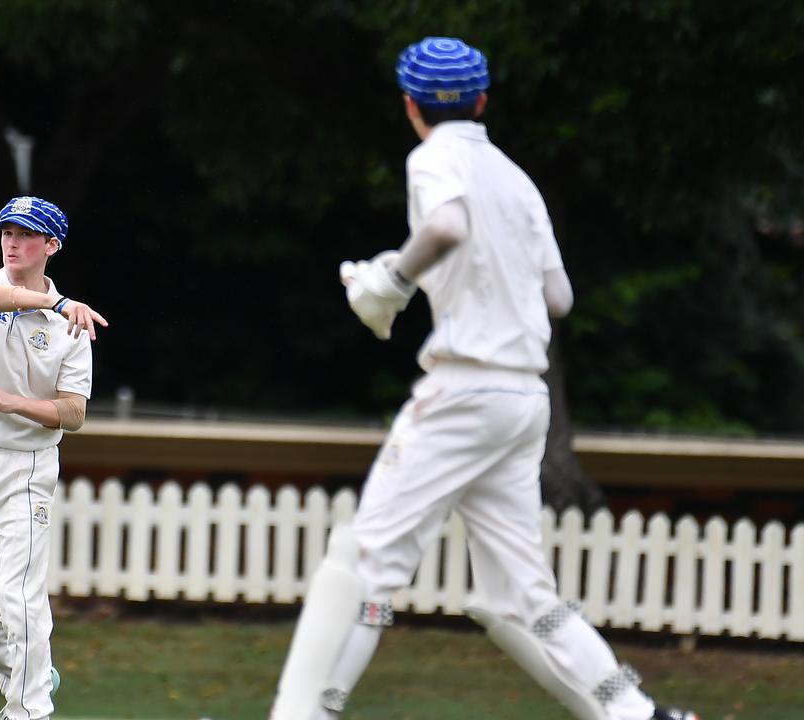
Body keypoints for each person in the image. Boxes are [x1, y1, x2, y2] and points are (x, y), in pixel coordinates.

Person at [269, 37, 698, 720]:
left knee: (364, 564)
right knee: (519, 595)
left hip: (463, 391)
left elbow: (444, 224)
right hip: (524, 399)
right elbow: (559, 299)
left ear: (410, 105)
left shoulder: (434, 157)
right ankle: (637, 715)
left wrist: (392, 280)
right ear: (483, 100)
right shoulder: (516, 178)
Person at [0, 195, 107, 720]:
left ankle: (29, 710)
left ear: (52, 246)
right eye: (7, 232)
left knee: (21, 597)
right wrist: (49, 304)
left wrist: (13, 403)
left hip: (26, 467)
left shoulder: (72, 330)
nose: (13, 243)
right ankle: (29, 676)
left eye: (27, 235)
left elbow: (73, 414)